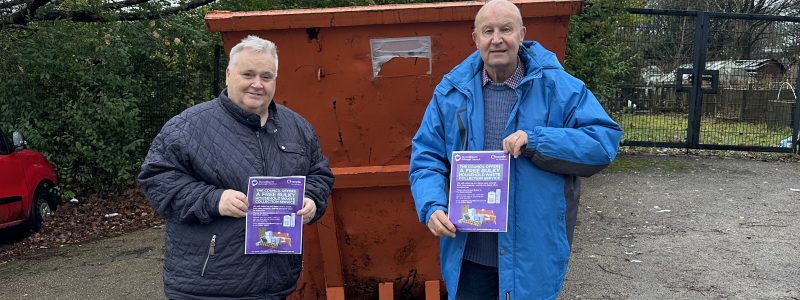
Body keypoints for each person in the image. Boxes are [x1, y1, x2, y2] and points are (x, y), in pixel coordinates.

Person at [408, 0, 623, 299]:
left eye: (506, 29)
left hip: (531, 258)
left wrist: (537, 141)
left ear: (522, 34)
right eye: (488, 31)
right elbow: (426, 158)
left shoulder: (559, 87)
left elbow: (602, 142)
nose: (497, 39)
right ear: (476, 39)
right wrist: (431, 205)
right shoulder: (451, 92)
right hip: (469, 257)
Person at [138, 35, 334, 299]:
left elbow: (319, 173)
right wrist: (213, 199)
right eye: (248, 74)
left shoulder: (297, 128)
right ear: (229, 74)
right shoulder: (188, 126)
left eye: (266, 76)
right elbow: (156, 179)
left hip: (275, 283)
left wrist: (311, 198)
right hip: (208, 286)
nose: (257, 84)